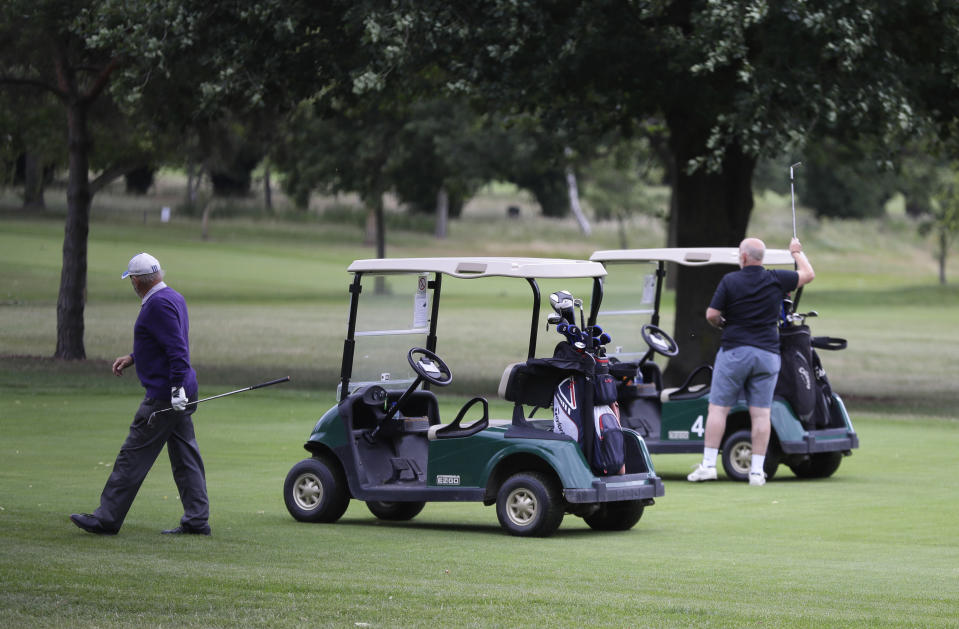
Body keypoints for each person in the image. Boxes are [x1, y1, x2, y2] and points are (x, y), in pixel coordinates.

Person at [70, 253, 210, 535]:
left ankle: (107, 518)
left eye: (130, 279)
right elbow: (165, 341)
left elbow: (177, 351)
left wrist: (175, 389)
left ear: (136, 280)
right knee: (185, 456)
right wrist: (135, 357)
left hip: (166, 396)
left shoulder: (156, 305)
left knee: (132, 455)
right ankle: (197, 520)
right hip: (180, 390)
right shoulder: (173, 297)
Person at [687, 237, 815, 486]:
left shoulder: (730, 281)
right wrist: (796, 253)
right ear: (761, 258)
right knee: (760, 414)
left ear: (744, 257)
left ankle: (709, 465)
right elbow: (808, 274)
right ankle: (757, 471)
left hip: (735, 351)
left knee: (718, 409)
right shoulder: (777, 278)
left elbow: (712, 315)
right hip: (767, 354)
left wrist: (721, 324)